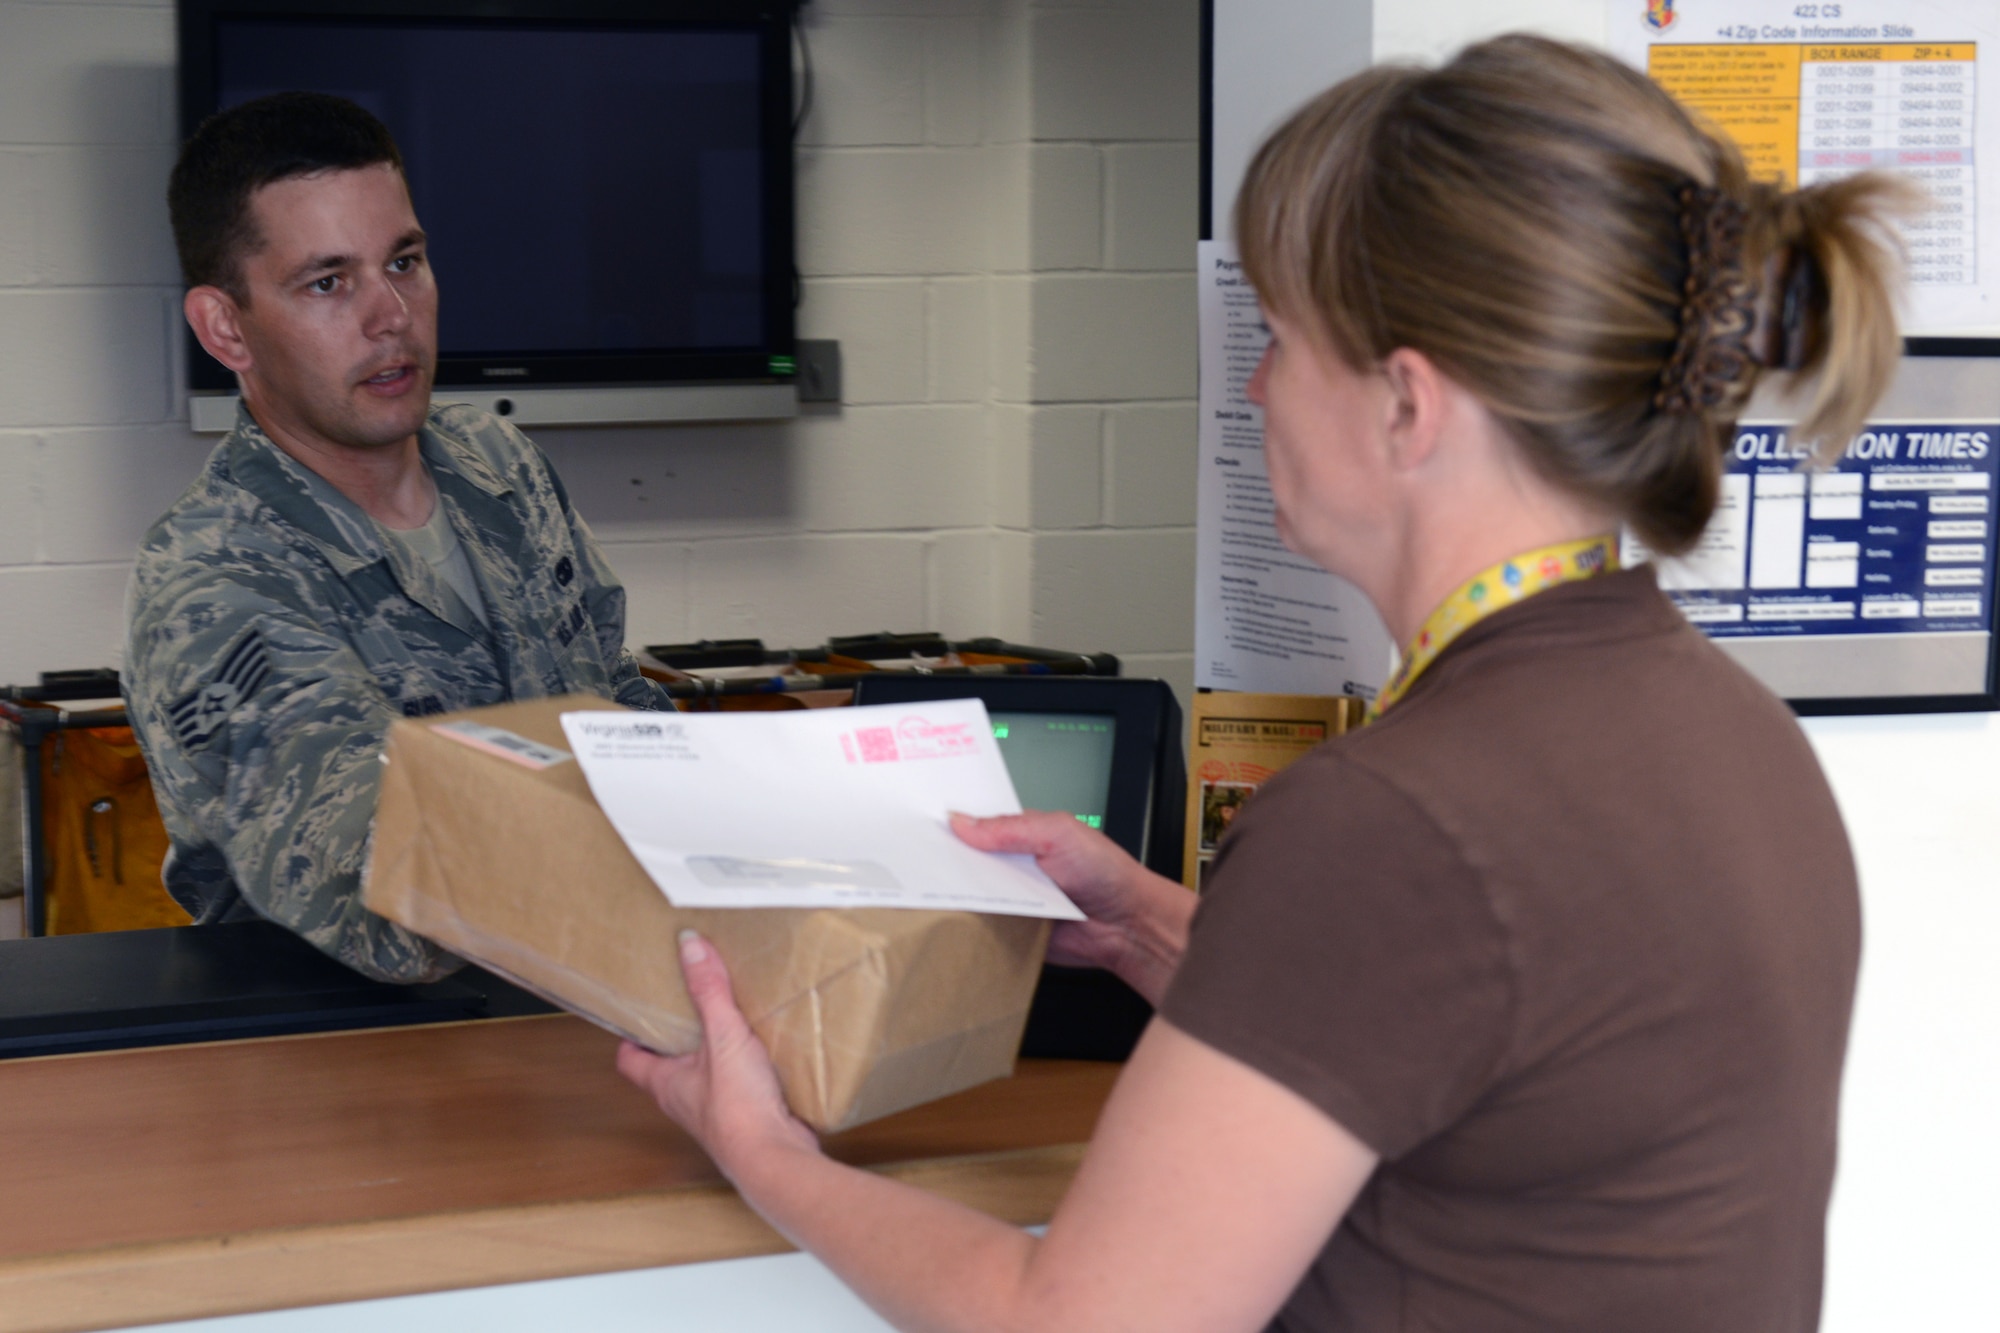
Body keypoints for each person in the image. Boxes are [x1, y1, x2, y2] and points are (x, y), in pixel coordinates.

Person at [618, 35, 1909, 1332]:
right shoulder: (1738, 735)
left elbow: (1078, 1321)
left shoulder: (1393, 820)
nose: (1251, 388)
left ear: (1407, 406)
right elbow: (1471, 1055)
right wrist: (1148, 929)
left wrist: (764, 1152)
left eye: (1279, 338)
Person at [126, 93, 673, 984]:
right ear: (226, 327)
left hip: (588, 1019)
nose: (392, 316)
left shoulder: (495, 462)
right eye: (329, 282)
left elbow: (616, 711)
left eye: (405, 262)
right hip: (362, 1065)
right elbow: (389, 881)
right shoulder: (212, 574)